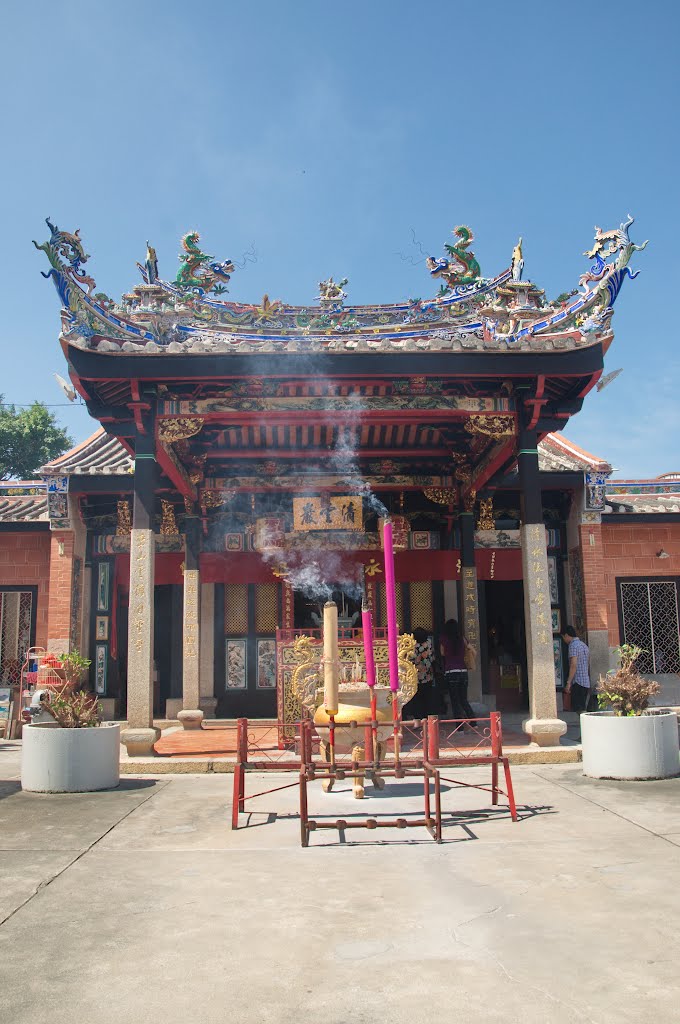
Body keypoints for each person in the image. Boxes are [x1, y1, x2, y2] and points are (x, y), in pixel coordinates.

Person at [439, 618, 477, 725]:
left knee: (455, 701)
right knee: (463, 700)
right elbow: (474, 652)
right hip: (463, 671)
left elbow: (442, 653)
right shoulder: (462, 639)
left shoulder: (444, 639)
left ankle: (459, 727)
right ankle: (474, 722)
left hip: (451, 671)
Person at [562, 625, 590, 713]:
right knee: (583, 707)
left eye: (563, 637)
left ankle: (585, 725)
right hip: (586, 681)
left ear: (566, 635)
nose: (564, 640)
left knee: (579, 709)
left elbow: (573, 664)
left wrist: (568, 682)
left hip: (578, 682)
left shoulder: (573, 646)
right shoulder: (583, 645)